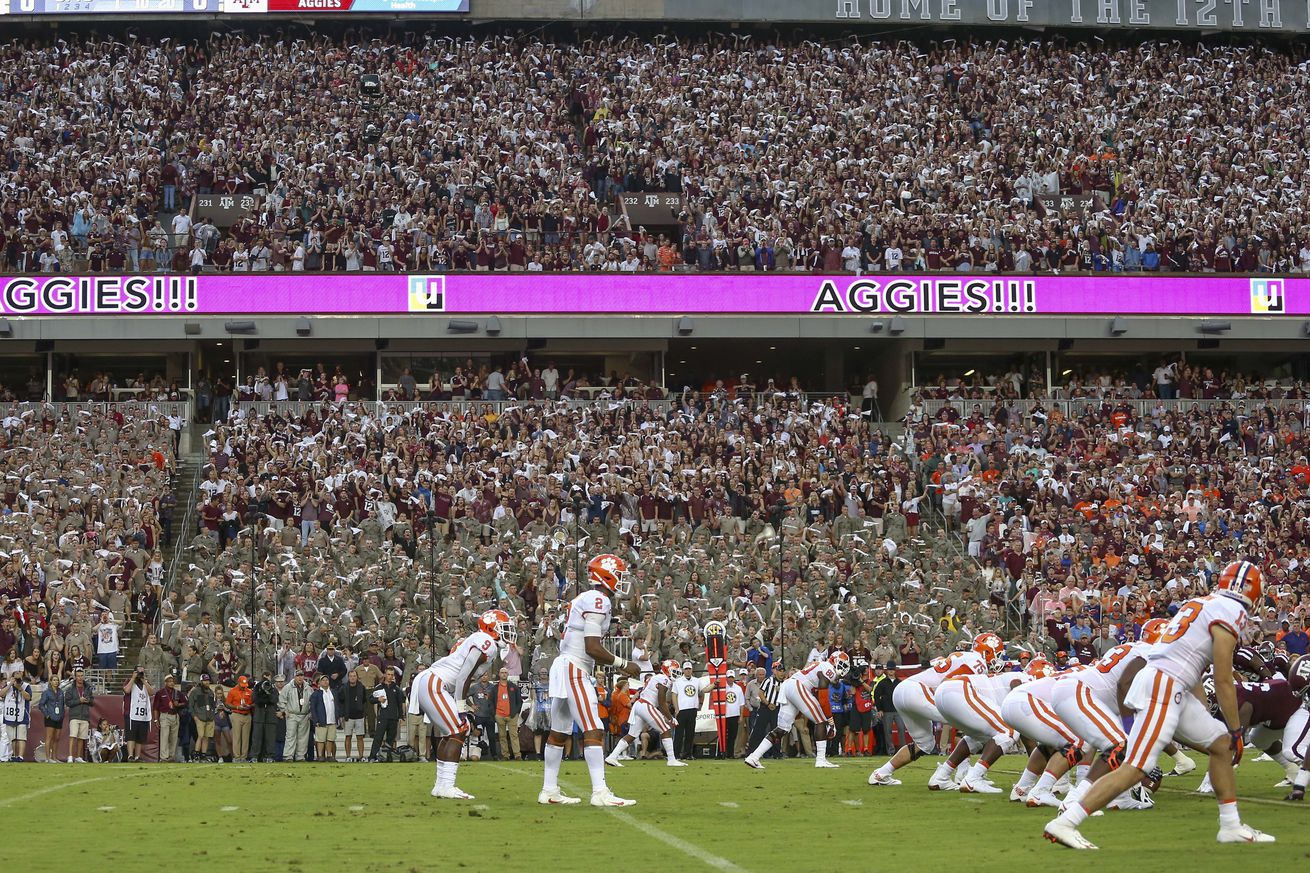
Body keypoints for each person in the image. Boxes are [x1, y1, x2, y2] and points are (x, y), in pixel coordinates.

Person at [1044, 560, 1275, 849]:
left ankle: (1230, 825)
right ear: (1251, 590)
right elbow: (1223, 677)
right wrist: (1237, 727)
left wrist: (1228, 732)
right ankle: (1066, 822)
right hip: (1165, 685)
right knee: (1137, 766)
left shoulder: (1204, 602)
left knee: (1220, 744)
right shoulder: (1232, 610)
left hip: (1169, 683)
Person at [539, 554, 641, 807]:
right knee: (593, 727)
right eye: (618, 573)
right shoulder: (598, 600)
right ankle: (600, 792)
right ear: (607, 575)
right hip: (574, 667)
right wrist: (623, 664)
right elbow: (593, 647)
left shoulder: (586, 598)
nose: (621, 579)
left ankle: (549, 790)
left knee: (558, 733)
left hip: (565, 665)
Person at [410, 608, 516, 799]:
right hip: (435, 683)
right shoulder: (486, 643)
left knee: (451, 732)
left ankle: (440, 786)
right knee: (459, 727)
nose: (507, 632)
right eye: (503, 627)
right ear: (491, 628)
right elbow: (463, 677)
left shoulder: (482, 642)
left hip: (432, 683)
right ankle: (447, 786)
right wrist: (461, 708)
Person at [867, 634, 997, 787]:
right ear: (987, 651)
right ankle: (961, 773)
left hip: (904, 689)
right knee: (974, 725)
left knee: (925, 744)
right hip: (919, 691)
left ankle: (881, 773)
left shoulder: (960, 655)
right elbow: (947, 681)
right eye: (996, 653)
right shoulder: (977, 662)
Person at [744, 651, 850, 770]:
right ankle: (821, 760)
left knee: (782, 728)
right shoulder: (828, 668)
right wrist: (830, 721)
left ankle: (754, 757)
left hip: (789, 685)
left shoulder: (821, 665)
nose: (844, 668)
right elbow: (823, 699)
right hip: (798, 686)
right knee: (821, 721)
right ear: (835, 661)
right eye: (843, 664)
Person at [606, 659, 686, 768]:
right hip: (646, 705)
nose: (677, 673)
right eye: (674, 670)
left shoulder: (658, 677)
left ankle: (612, 757)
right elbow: (662, 702)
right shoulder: (664, 679)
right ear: (667, 670)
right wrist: (670, 718)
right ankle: (671, 759)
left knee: (632, 735)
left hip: (640, 705)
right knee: (666, 729)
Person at [672, 661, 707, 761]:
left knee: (690, 733)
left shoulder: (696, 681)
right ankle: (676, 754)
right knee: (679, 733)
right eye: (686, 669)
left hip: (692, 709)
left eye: (689, 669)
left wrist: (714, 685)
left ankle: (688, 753)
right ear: (683, 670)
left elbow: (704, 690)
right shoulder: (678, 681)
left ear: (692, 670)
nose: (688, 671)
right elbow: (674, 695)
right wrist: (676, 708)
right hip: (682, 709)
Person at [369, 667, 404, 761]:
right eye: (388, 674)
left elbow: (399, 703)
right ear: (385, 675)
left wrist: (400, 716)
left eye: (392, 675)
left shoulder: (396, 688)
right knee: (378, 737)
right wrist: (378, 699)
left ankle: (387, 757)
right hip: (383, 717)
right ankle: (373, 756)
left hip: (393, 717)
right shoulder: (379, 687)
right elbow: (370, 699)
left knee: (391, 739)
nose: (390, 676)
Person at [279, 670, 313, 762]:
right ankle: (288, 756)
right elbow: (281, 700)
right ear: (294, 677)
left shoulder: (308, 688)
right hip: (292, 715)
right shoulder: (288, 687)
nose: (300, 678)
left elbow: (312, 702)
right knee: (290, 736)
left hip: (304, 715)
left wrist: (310, 713)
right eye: (298, 676)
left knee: (303, 737)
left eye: (301, 676)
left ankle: (300, 756)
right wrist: (284, 711)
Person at [63, 668, 94, 763]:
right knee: (73, 736)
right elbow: (67, 702)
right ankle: (70, 756)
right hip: (74, 715)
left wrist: (87, 700)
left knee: (81, 737)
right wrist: (78, 701)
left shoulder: (88, 688)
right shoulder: (70, 689)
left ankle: (78, 757)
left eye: (81, 676)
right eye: (78, 676)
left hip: (85, 715)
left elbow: (92, 701)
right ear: (75, 677)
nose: (80, 678)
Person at [154, 674, 186, 763]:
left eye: (172, 681)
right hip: (165, 715)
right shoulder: (160, 693)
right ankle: (164, 757)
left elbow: (185, 702)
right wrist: (156, 720)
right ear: (165, 682)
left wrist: (178, 704)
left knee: (174, 737)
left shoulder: (177, 693)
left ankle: (171, 756)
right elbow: (155, 708)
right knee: (164, 736)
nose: (171, 683)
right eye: (169, 681)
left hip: (175, 715)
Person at [2, 670, 32, 761]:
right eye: (16, 677)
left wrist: (20, 688)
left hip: (22, 715)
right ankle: (14, 755)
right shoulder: (8, 685)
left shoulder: (26, 686)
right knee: (12, 738)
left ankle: (20, 756)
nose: (17, 679)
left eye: (19, 677)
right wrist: (10, 684)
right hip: (9, 715)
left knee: (21, 737)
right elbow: (1, 694)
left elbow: (28, 697)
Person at [250, 672, 280, 762]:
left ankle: (269, 756)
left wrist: (267, 692)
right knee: (256, 738)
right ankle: (254, 756)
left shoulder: (273, 688)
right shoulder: (257, 687)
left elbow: (274, 699)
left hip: (270, 717)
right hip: (259, 716)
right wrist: (262, 692)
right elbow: (255, 699)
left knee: (270, 738)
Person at [494, 668, 522, 761]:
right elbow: (490, 702)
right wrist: (494, 714)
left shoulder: (513, 686)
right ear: (499, 674)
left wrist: (516, 712)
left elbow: (519, 701)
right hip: (499, 715)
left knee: (514, 735)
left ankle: (517, 755)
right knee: (502, 736)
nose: (504, 674)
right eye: (502, 672)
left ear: (508, 674)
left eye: (505, 673)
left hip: (512, 715)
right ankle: (505, 755)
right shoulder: (495, 688)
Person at [310, 675, 339, 762]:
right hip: (321, 720)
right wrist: (315, 720)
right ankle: (320, 756)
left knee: (330, 739)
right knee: (320, 740)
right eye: (323, 680)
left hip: (332, 720)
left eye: (327, 680)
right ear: (319, 683)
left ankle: (329, 755)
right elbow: (313, 708)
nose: (325, 681)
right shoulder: (316, 694)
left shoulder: (333, 692)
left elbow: (337, 705)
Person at [38, 673, 66, 763]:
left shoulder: (61, 692)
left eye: (57, 680)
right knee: (49, 737)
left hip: (59, 717)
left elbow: (62, 704)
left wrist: (62, 714)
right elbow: (41, 704)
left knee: (57, 738)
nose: (56, 682)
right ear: (50, 682)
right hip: (50, 717)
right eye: (54, 680)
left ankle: (54, 757)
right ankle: (47, 757)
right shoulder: (46, 692)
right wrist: (47, 714)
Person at [188, 674, 217, 760]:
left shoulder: (211, 692)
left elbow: (213, 705)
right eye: (205, 680)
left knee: (206, 737)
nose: (207, 682)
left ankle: (203, 754)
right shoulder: (195, 691)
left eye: (208, 680)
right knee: (200, 736)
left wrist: (212, 716)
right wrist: (194, 716)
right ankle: (196, 753)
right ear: (201, 681)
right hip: (200, 717)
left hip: (209, 718)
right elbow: (190, 705)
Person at [341, 669, 367, 762]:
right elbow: (341, 701)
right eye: (351, 676)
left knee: (360, 737)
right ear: (348, 677)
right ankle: (348, 756)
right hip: (348, 716)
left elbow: (364, 700)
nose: (352, 678)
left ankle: (361, 756)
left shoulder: (361, 687)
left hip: (359, 715)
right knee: (348, 736)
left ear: (357, 677)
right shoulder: (344, 688)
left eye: (354, 676)